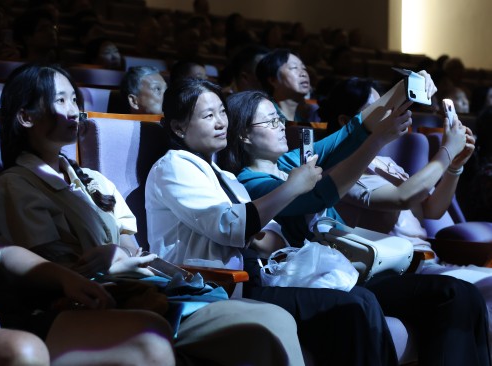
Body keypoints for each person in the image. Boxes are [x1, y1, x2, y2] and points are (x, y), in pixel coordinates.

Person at [0, 63, 306, 366]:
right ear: (26, 117)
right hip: (98, 301)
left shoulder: (94, 179)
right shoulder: (16, 185)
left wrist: (120, 255)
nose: (73, 110)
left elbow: (128, 240)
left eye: (74, 99)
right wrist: (114, 261)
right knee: (265, 322)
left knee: (274, 319)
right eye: (60, 100)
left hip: (144, 286)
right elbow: (41, 269)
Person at [146, 77, 409, 366]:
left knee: (359, 300)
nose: (221, 122)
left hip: (254, 278)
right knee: (349, 307)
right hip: (212, 287)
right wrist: (291, 189)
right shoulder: (174, 165)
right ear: (178, 127)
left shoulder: (227, 177)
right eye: (209, 116)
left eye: (222, 112)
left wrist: (259, 232)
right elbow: (229, 227)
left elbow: (270, 238)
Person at [221, 84, 490, 365]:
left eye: (280, 118)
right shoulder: (250, 183)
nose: (280, 126)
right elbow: (318, 196)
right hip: (333, 279)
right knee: (449, 295)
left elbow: (352, 131)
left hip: (356, 270)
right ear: (244, 135)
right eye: (270, 121)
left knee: (463, 295)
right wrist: (376, 141)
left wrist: (405, 87)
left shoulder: (289, 164)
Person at [319, 76, 492, 357]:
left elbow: (432, 210)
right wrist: (446, 152)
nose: (395, 112)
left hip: (427, 263)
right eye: (379, 108)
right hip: (391, 271)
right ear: (344, 120)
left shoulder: (386, 163)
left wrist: (455, 166)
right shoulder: (343, 168)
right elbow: (403, 197)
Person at [0, 170, 175, 365]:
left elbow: (1, 250)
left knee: (149, 337)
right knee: (25, 351)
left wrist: (67, 278)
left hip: (3, 309)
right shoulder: (15, 182)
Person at [256, 48, 320, 124]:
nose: (303, 74)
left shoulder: (303, 120)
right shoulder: (264, 117)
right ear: (273, 80)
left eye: (304, 68)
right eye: (294, 68)